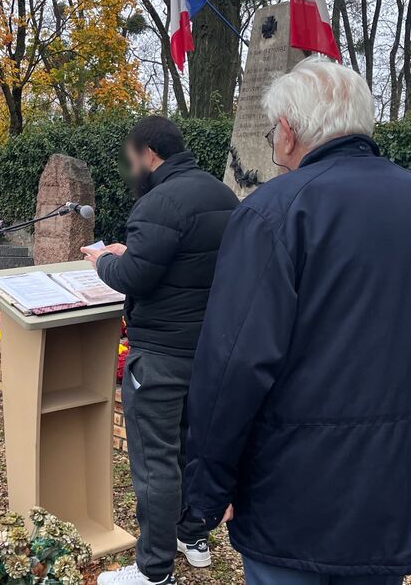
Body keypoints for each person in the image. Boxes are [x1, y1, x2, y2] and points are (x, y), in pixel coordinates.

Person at [182, 58, 411, 585]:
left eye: (274, 133)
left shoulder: (275, 210)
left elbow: (234, 364)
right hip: (392, 484)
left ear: (291, 133)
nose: (275, 150)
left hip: (293, 490)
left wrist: (207, 489)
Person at [83, 116, 238, 585]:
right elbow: (185, 264)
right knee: (193, 450)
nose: (133, 170)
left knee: (155, 462)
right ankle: (192, 536)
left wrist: (105, 260)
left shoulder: (159, 201)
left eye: (132, 160)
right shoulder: (222, 195)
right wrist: (131, 255)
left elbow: (132, 278)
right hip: (209, 351)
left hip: (161, 356)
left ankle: (153, 572)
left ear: (148, 153)